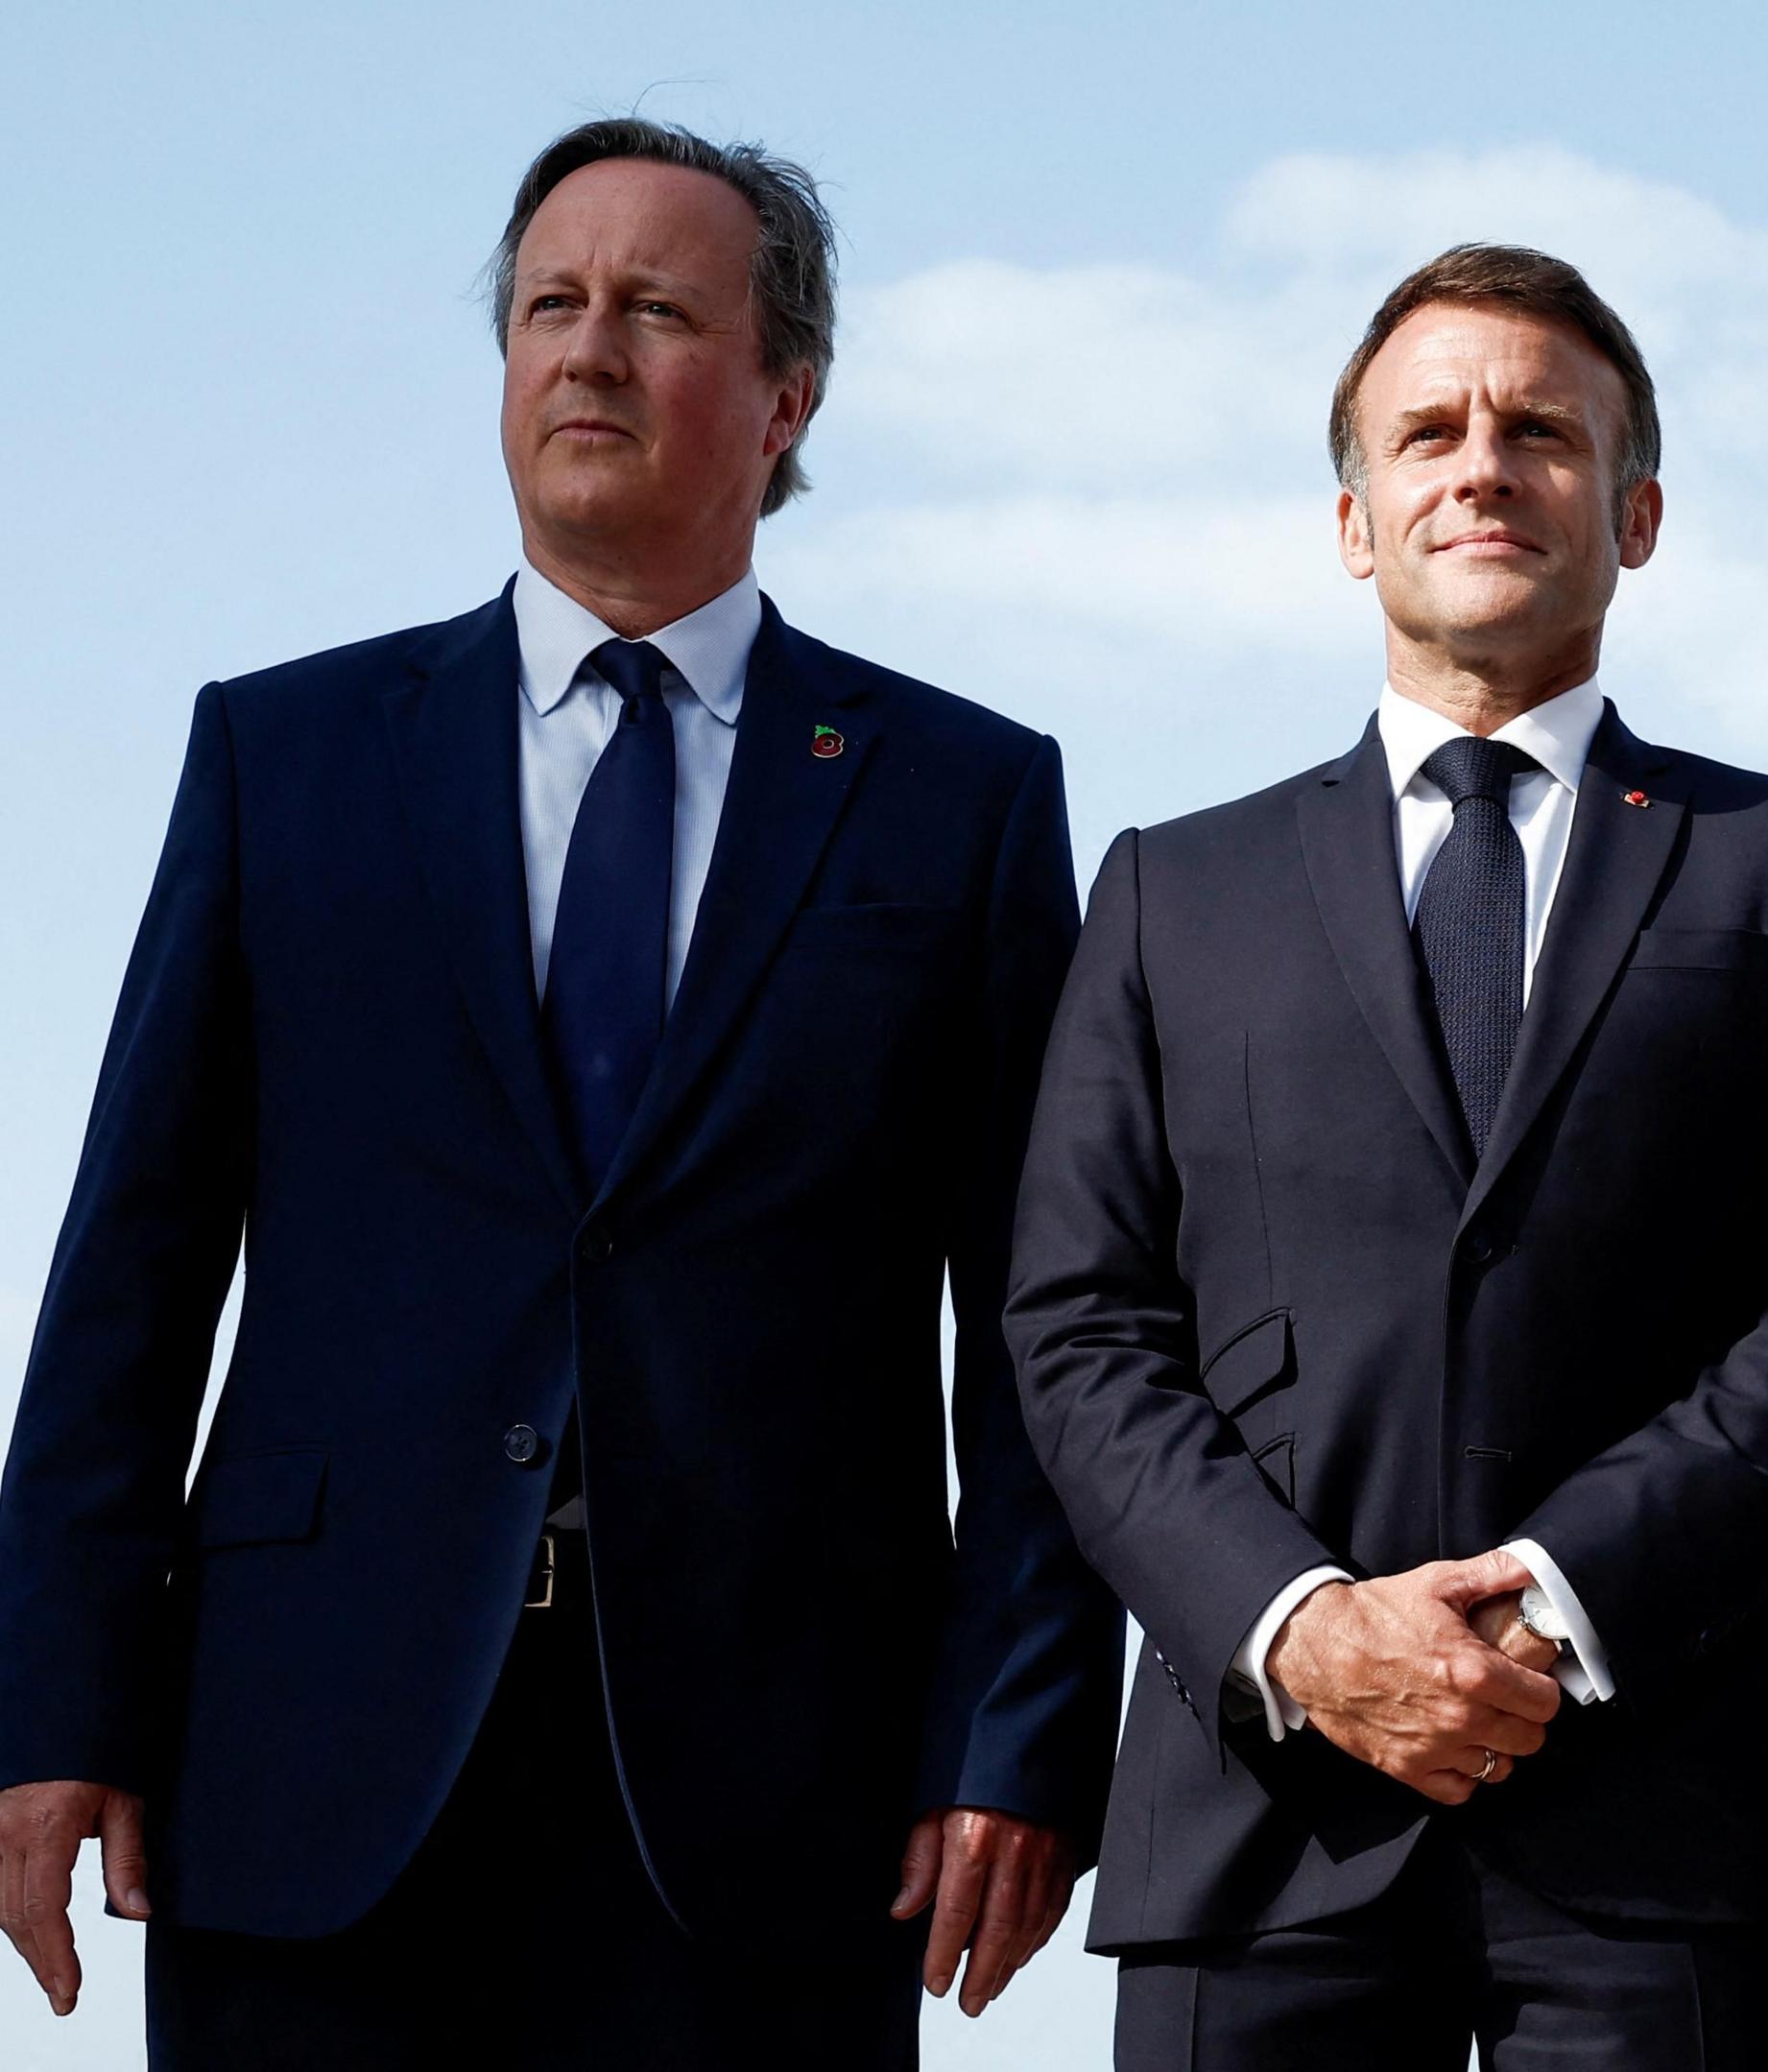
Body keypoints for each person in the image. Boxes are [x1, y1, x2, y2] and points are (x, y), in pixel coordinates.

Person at [0, 118, 1121, 2069]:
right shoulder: (288, 758)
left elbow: (1036, 1336)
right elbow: (134, 1261)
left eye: (657, 310)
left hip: (776, 1799)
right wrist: (53, 1703)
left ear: (783, 399)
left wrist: (1016, 1730)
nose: (588, 349)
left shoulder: (961, 802)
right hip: (305, 1763)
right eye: (549, 305)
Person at [1005, 243, 1768, 2072]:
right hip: (1262, 1824)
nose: (1482, 464)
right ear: (1354, 521)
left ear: (1639, 509)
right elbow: (1081, 1324)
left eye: (1542, 431)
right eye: (1426, 431)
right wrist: (1301, 1629)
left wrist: (1564, 1594)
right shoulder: (1168, 893)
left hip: (1667, 1815)